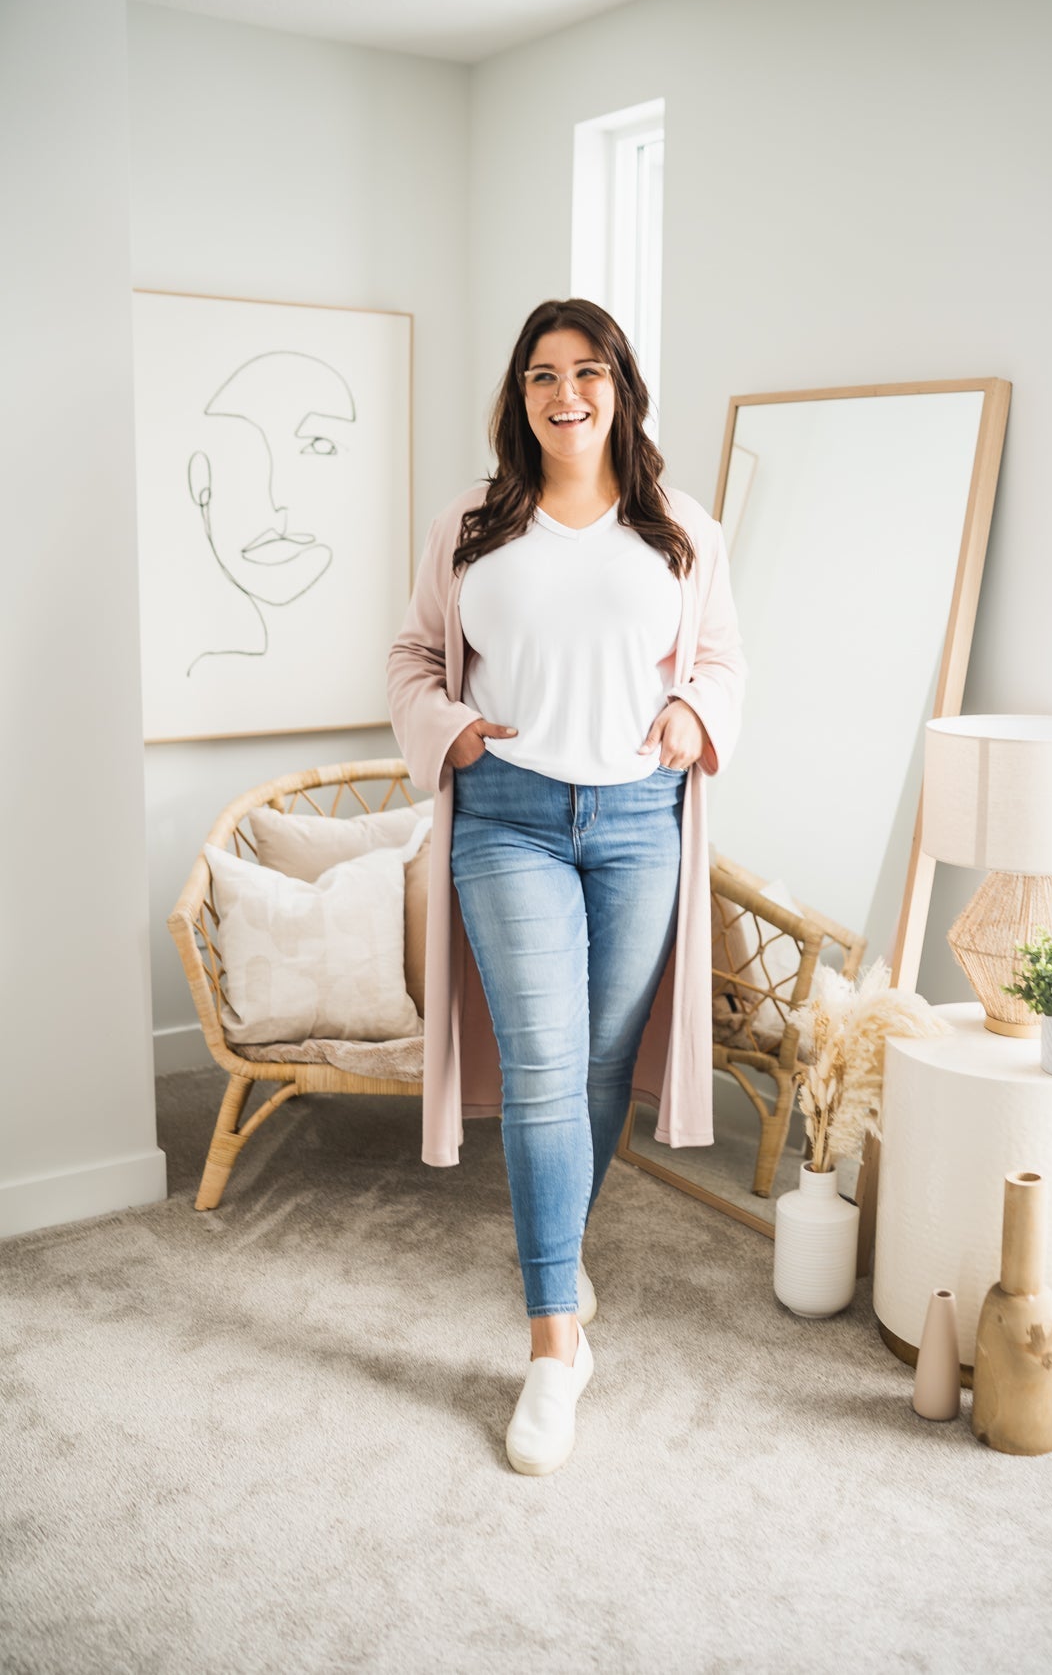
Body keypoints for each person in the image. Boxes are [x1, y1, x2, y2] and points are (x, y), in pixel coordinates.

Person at [386, 298, 745, 1476]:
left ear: (621, 388)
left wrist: (696, 713)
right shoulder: (470, 526)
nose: (566, 393)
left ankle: (559, 1246)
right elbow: (413, 656)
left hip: (642, 821)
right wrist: (452, 731)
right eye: (544, 374)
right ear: (520, 395)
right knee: (543, 1062)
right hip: (509, 821)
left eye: (588, 371)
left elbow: (727, 660)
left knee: (599, 1064)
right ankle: (554, 1345)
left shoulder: (681, 531)